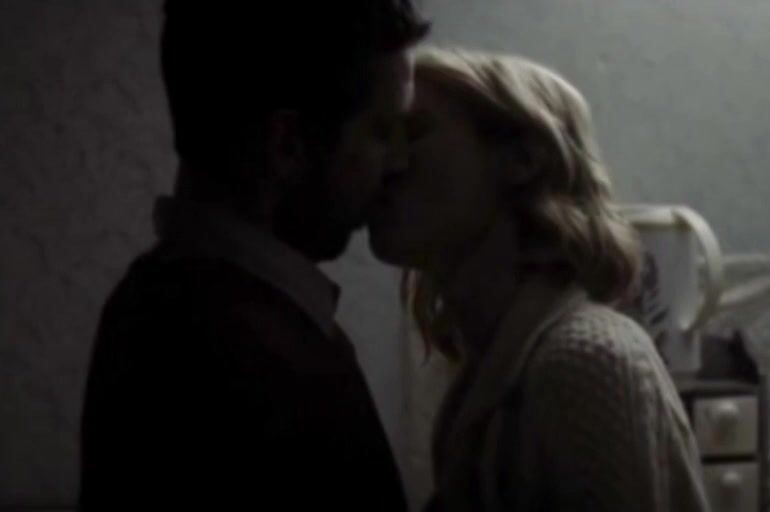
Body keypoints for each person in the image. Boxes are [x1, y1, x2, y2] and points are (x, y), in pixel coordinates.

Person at [79, 1, 429, 509]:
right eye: (380, 130)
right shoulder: (263, 357)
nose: (399, 162)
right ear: (287, 145)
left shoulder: (153, 297)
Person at [367, 47, 711, 511]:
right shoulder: (487, 372)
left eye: (415, 132)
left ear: (522, 160)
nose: (388, 162)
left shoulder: (584, 361)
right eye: (384, 135)